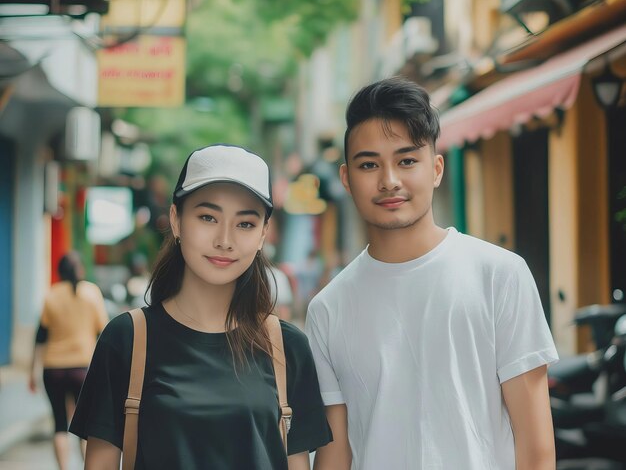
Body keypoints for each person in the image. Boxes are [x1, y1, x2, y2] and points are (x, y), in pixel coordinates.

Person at [305, 77, 559, 470]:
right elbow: (337, 451)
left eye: (406, 160)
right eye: (369, 164)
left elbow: (536, 447)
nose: (389, 180)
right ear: (346, 179)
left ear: (436, 169)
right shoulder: (327, 308)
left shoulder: (499, 275)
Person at [69, 144, 332, 470]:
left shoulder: (287, 346)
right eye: (208, 217)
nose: (225, 239)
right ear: (177, 220)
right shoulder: (127, 339)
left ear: (264, 233)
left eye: (245, 224)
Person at [29, 251, 109, 470]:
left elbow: (40, 337)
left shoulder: (51, 296)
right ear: (80, 270)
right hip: (83, 369)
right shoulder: (92, 293)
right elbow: (103, 333)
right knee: (85, 426)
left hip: (53, 369)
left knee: (59, 424)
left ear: (59, 272)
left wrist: (32, 371)